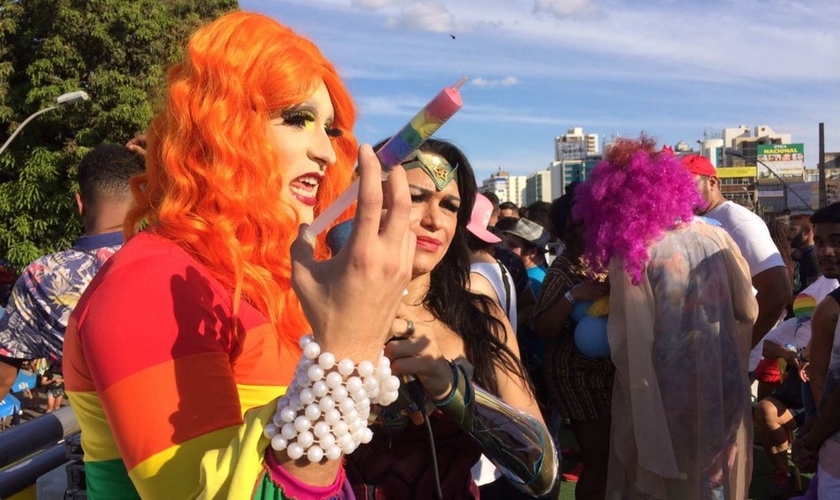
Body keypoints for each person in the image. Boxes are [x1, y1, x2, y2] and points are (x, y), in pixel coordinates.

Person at [64, 11, 420, 499]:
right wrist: (348, 352)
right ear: (220, 128)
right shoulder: (149, 283)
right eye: (297, 119)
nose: (328, 153)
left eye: (330, 129)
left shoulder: (260, 279)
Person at [345, 139, 557, 499]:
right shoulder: (317, 311)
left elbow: (543, 473)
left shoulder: (478, 317)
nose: (434, 220)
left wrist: (452, 390)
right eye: (415, 197)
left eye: (450, 206)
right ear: (366, 199)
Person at [577, 137, 757, 499]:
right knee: (714, 483)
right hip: (719, 386)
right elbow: (748, 310)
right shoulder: (715, 236)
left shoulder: (635, 250)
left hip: (662, 396)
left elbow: (631, 340)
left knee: (668, 484)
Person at [0, 144, 143, 402]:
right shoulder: (176, 254)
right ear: (143, 200)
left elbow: (2, 377)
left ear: (80, 203)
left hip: (108, 437)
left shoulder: (41, 278)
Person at [532, 182, 612, 500]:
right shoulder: (564, 269)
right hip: (578, 380)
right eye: (582, 224)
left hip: (603, 376)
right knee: (599, 461)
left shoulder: (600, 262)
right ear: (569, 231)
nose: (593, 229)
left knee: (608, 460)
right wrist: (573, 295)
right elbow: (542, 326)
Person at [682, 154, 790, 351]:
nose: (681, 195)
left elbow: (778, 290)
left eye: (687, 187)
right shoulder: (698, 220)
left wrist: (740, 349)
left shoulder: (737, 221)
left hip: (736, 362)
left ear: (712, 182)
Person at [753, 277, 837, 498]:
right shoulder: (800, 325)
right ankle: (784, 473)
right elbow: (767, 345)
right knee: (764, 410)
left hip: (826, 405)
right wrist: (791, 356)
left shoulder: (832, 330)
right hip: (800, 399)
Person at [799, 202, 840, 499]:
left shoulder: (830, 311)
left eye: (837, 242)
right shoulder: (829, 307)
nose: (826, 252)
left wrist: (811, 441)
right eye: (820, 242)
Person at [789, 214, 819, 296]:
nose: (788, 235)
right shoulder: (801, 256)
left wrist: (783, 301)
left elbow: (813, 295)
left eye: (792, 230)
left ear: (806, 231)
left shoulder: (813, 258)